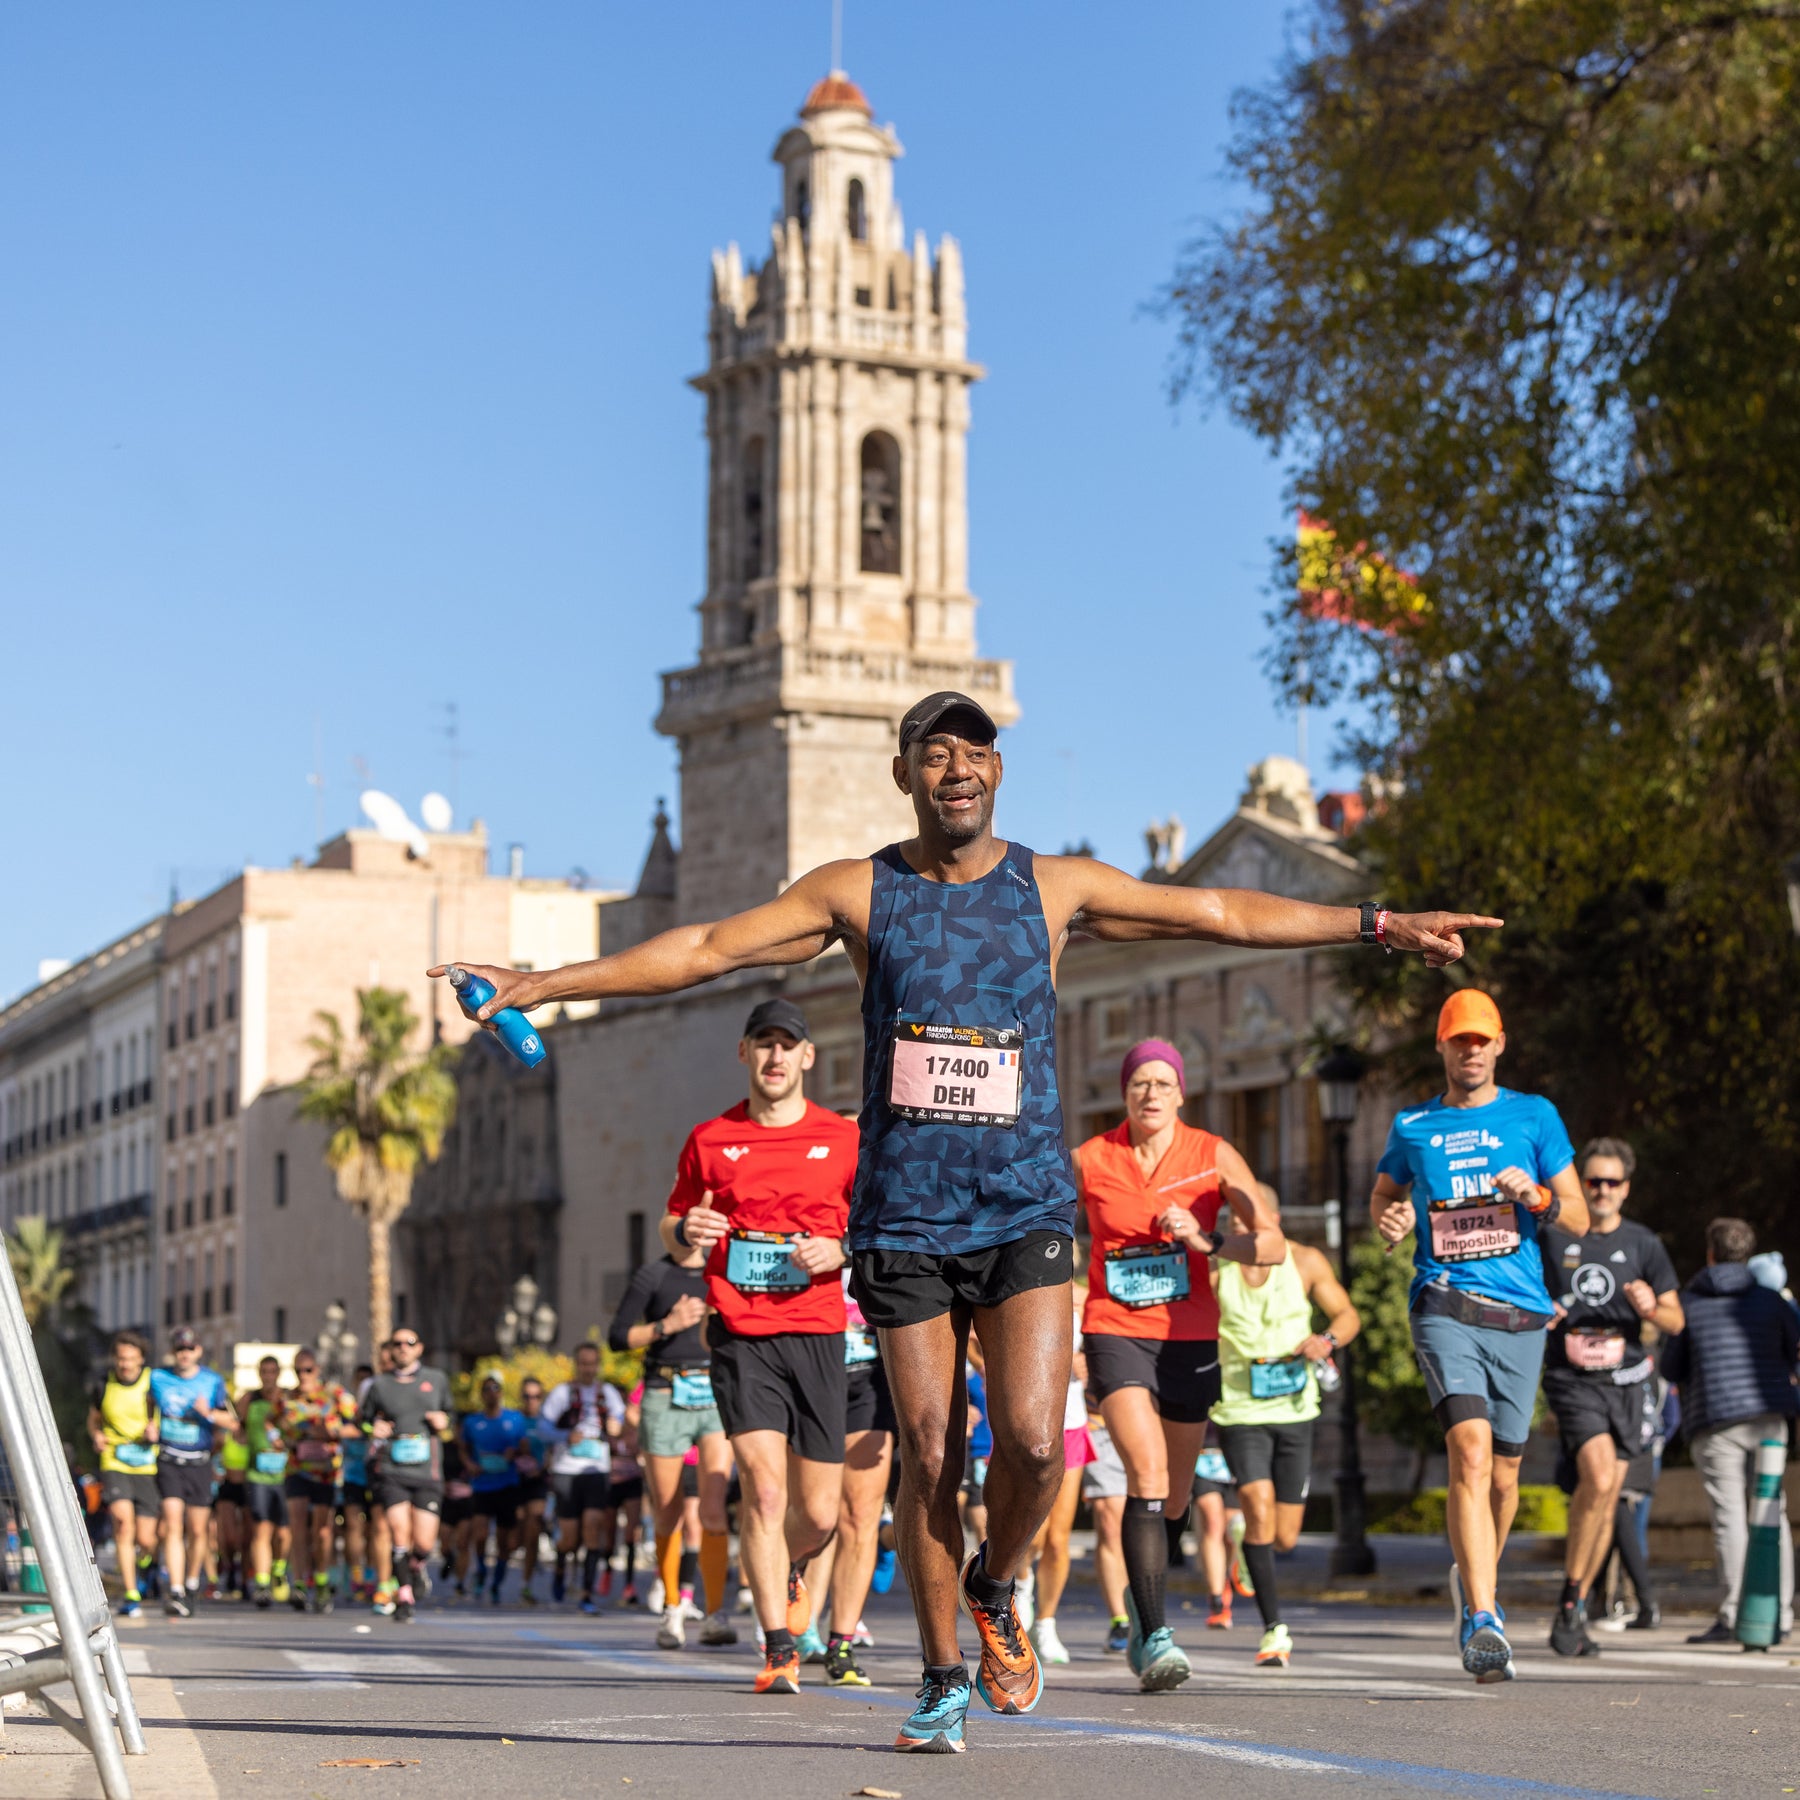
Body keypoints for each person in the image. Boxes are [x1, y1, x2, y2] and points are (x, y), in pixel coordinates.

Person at [434, 687, 1495, 1752]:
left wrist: (1378, 925)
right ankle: (942, 1674)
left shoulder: (1053, 887)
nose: (958, 770)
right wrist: (540, 983)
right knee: (932, 1452)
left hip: (1024, 1205)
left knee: (1034, 1441)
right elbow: (710, 946)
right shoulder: (861, 891)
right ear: (906, 775)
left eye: (975, 753)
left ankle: (997, 1584)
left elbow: (1218, 912)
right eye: (935, 753)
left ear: (997, 774)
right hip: (901, 1219)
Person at [1372, 988, 1588, 1682]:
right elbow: (1385, 1194)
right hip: (1445, 1303)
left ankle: (1476, 1576)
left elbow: (1579, 1216)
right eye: (1457, 1040)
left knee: (1504, 1474)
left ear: (1499, 1045)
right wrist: (1393, 1219)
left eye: (1480, 1040)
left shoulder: (1535, 1116)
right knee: (1468, 1453)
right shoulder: (1413, 1126)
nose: (1469, 1051)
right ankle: (1484, 1618)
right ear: (1440, 1046)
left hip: (1521, 1315)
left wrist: (1538, 1198)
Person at [660, 997, 860, 1695]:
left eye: (788, 1045)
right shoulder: (711, 1138)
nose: (775, 1057)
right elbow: (673, 1219)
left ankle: (791, 1567)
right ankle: (778, 1646)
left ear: (809, 1057)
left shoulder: (842, 1138)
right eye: (763, 1044)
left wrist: (839, 1249)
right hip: (742, 1334)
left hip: (817, 1330)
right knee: (766, 1496)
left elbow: (874, 1225)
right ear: (744, 1055)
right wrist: (688, 1235)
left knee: (822, 1513)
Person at [1075, 1038, 1284, 1691]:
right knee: (1146, 1473)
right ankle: (1158, 1633)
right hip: (1116, 1328)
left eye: (1163, 1082)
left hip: (1189, 1335)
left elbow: (1270, 1244)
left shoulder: (1212, 1154)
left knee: (1176, 1495)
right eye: (1140, 1082)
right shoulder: (1090, 1158)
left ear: (1181, 1093)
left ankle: (1144, 1611)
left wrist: (1208, 1239)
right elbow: (1038, 1220)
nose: (1151, 1092)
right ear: (1125, 1092)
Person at [1538, 1136, 1682, 1655]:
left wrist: (1650, 1307)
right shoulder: (1549, 1237)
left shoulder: (1644, 1243)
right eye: (1592, 1180)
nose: (1600, 1190)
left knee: (1606, 1500)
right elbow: (1522, 1288)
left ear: (1626, 1188)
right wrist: (1539, 1308)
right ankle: (1574, 1602)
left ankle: (1572, 1605)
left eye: (1611, 1182)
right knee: (1597, 1478)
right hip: (1572, 1380)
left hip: (1626, 1382)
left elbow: (1675, 1317)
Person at [1210, 1234, 1360, 1668]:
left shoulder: (1306, 1260)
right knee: (1256, 1504)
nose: (1243, 1230)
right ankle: (1274, 1630)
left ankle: (1244, 1540)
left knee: (1285, 1536)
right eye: (1234, 1220)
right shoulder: (1217, 1268)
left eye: (1251, 1220)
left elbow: (1347, 1315)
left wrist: (1327, 1339)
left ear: (1271, 1221)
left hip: (1295, 1409)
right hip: (1238, 1410)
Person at [1661, 1216, 1799, 1644]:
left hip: (1716, 1419)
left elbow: (1671, 1366)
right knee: (1771, 1511)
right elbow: (1792, 1349)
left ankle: (1737, 1613)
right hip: (1770, 1415)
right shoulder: (1771, 1300)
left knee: (1730, 1520)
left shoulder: (1690, 1302)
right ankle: (1779, 1614)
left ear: (1710, 1253)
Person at [609, 1232, 736, 1649]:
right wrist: (669, 1325)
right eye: (686, 1221)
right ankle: (670, 1607)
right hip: (664, 1394)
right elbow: (618, 1336)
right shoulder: (654, 1274)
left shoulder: (727, 1265)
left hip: (714, 1394)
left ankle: (715, 1613)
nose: (697, 1231)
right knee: (667, 1511)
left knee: (713, 1511)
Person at [361, 1330, 455, 1624]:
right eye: (397, 1344)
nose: (403, 1348)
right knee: (398, 1532)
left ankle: (416, 1566)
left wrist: (444, 1422)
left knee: (424, 1542)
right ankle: (403, 1596)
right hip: (392, 1469)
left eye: (409, 1343)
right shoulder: (379, 1384)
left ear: (419, 1349)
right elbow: (362, 1420)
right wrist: (373, 1428)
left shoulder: (436, 1380)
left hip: (427, 1471)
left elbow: (452, 1420)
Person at [147, 1326, 235, 1618]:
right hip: (170, 1459)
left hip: (199, 1461)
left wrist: (207, 1412)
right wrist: (150, 1425)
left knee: (198, 1530)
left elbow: (232, 1422)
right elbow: (147, 1405)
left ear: (198, 1351)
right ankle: (175, 1589)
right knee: (173, 1524)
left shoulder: (212, 1381)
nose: (184, 1354)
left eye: (190, 1349)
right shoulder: (158, 1378)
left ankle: (192, 1580)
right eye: (179, 1349)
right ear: (174, 1351)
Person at [543, 1341, 623, 1611]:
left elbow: (621, 1422)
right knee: (569, 1535)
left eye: (592, 1363)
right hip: (566, 1470)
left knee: (593, 1524)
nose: (588, 1369)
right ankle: (561, 1566)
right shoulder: (562, 1394)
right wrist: (565, 1435)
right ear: (576, 1365)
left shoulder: (608, 1393)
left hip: (596, 1470)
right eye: (583, 1363)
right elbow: (542, 1427)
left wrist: (616, 1426)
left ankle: (587, 1592)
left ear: (598, 1365)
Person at [88, 1331, 161, 1618]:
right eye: (121, 1359)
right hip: (115, 1461)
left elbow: (168, 1413)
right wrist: (96, 1436)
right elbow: (93, 1419)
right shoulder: (104, 1383)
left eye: (131, 1359)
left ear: (141, 1359)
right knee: (122, 1523)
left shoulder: (153, 1382)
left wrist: (156, 1430)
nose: (125, 1365)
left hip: (146, 1465)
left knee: (146, 1538)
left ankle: (148, 1564)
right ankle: (132, 1593)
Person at [284, 1351, 357, 1613]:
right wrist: (284, 1439)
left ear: (318, 1369)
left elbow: (360, 1425)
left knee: (323, 1531)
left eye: (308, 1370)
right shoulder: (288, 1399)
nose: (303, 1376)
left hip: (326, 1472)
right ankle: (301, 1582)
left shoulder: (335, 1395)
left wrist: (332, 1433)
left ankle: (323, 1582)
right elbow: (272, 1426)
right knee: (298, 1525)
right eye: (298, 1370)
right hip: (296, 1470)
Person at [461, 1374, 526, 1605]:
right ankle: (480, 1570)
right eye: (487, 1389)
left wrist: (514, 1452)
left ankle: (496, 1582)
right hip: (482, 1485)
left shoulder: (515, 1419)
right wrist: (470, 1465)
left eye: (495, 1388)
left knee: (504, 1541)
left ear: (501, 1392)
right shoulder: (471, 1422)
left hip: (506, 1485)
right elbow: (463, 1448)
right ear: (482, 1394)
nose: (491, 1393)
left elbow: (524, 1446)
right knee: (479, 1534)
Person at [238, 1356, 292, 1609]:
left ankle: (279, 1569)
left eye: (273, 1371)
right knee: (261, 1528)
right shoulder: (250, 1399)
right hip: (257, 1474)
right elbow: (236, 1430)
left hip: (285, 1474)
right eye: (264, 1371)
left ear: (279, 1373)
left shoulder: (288, 1399)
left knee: (283, 1532)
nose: (268, 1376)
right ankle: (261, 1582)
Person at [1082, 1413, 1130, 1652]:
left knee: (1138, 1525)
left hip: (1143, 1422)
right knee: (1110, 1524)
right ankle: (1120, 1619)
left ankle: (1140, 1613)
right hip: (1098, 1424)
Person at [513, 1378, 561, 1606]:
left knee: (533, 1528)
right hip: (513, 1481)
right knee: (513, 1537)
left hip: (538, 1481)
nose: (531, 1401)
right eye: (526, 1396)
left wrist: (543, 1466)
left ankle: (525, 1584)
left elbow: (555, 1448)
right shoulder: (514, 1420)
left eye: (536, 1396)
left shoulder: (547, 1422)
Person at [340, 1362, 382, 1602]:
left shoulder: (380, 1413)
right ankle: (356, 1575)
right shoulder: (348, 1411)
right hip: (353, 1476)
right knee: (354, 1526)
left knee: (376, 1528)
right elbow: (340, 1432)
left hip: (377, 1476)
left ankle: (372, 1574)